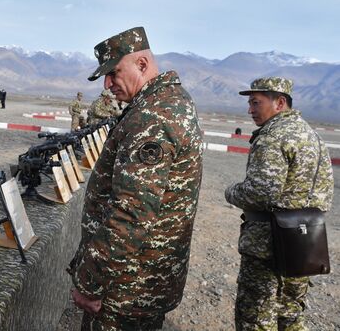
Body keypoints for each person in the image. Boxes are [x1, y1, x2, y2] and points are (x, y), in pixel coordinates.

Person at [68, 26, 203, 330]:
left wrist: (90, 282)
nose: (107, 84)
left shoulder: (152, 118)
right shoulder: (168, 102)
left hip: (127, 288)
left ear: (142, 65)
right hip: (142, 280)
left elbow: (131, 214)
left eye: (114, 73)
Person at [224, 77, 334, 331]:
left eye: (255, 102)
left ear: (280, 103)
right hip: (306, 242)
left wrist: (231, 192)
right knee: (291, 315)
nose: (250, 109)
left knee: (256, 317)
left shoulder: (273, 136)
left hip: (268, 245)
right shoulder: (311, 135)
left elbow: (261, 193)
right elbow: (324, 192)